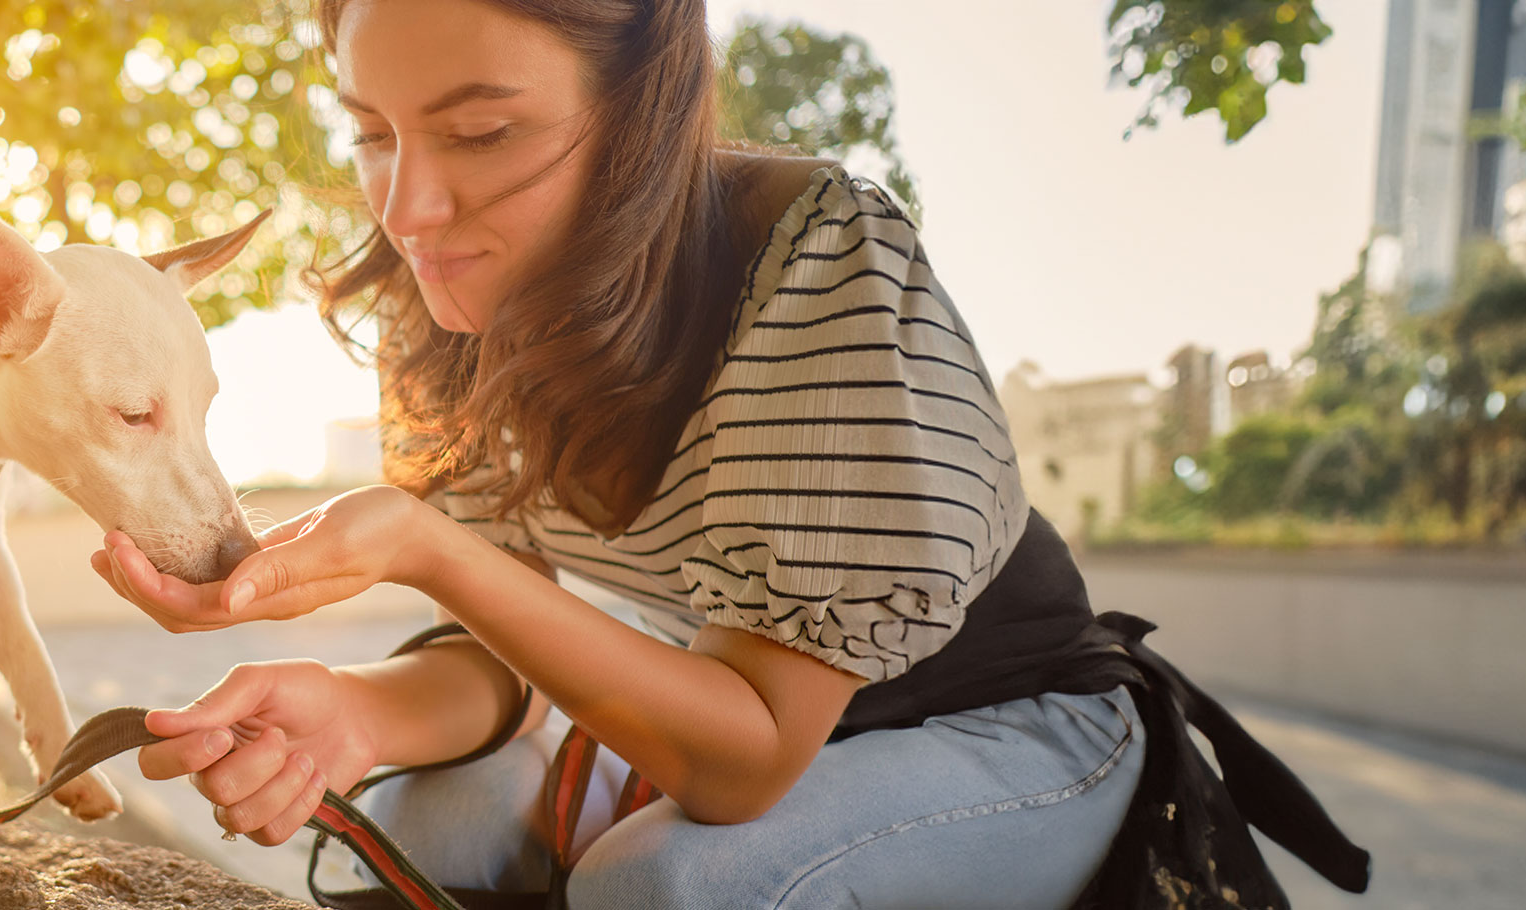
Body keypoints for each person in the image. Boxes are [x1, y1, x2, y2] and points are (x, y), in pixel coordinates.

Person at [85, 0, 1368, 906]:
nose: (411, 209)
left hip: (1008, 716)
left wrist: (424, 550)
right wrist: (355, 714)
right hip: (721, 703)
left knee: (681, 884)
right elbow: (517, 652)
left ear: (644, 106)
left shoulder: (816, 266)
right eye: (374, 131)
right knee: (421, 817)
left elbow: (743, 763)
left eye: (482, 135)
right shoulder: (442, 296)